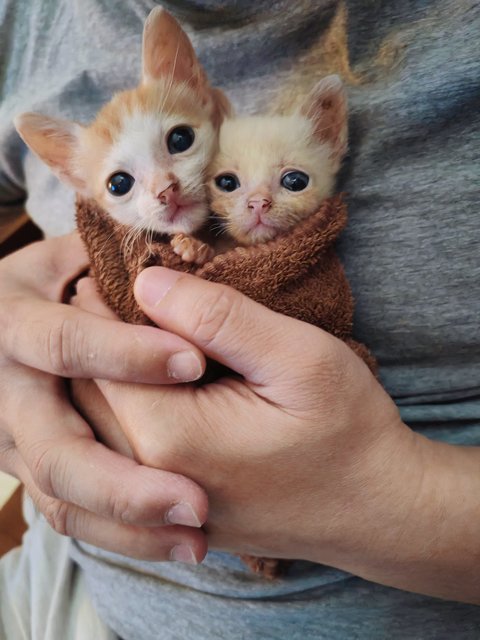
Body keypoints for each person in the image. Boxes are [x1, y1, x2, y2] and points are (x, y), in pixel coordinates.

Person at [0, 1, 479, 639]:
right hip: (66, 590)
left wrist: (386, 500)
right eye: (120, 185)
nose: (165, 188)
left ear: (205, 98)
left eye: (179, 142)